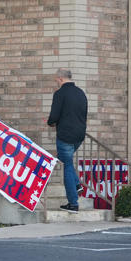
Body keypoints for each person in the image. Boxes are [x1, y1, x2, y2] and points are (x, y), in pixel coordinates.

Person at [46, 68, 87, 213]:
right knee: (67, 161)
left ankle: (73, 203)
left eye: (56, 79)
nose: (56, 82)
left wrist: (50, 122)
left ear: (61, 78)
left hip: (65, 135)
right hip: (79, 136)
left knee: (67, 166)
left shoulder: (60, 94)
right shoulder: (81, 93)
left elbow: (54, 115)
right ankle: (77, 185)